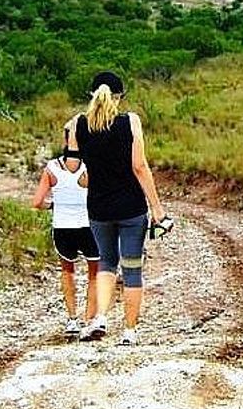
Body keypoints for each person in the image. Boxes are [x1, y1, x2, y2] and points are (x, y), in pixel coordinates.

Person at [66, 71, 171, 346]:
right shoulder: (130, 122)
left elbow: (74, 168)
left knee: (106, 264)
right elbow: (139, 167)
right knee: (132, 267)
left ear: (92, 95)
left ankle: (100, 317)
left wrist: (69, 135)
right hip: (131, 208)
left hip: (99, 209)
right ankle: (129, 332)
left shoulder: (79, 124)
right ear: (119, 97)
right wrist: (158, 209)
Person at [31, 150, 99, 337]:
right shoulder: (90, 165)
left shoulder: (52, 168)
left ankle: (72, 319)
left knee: (67, 271)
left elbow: (37, 202)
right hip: (88, 225)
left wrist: (54, 205)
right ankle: (89, 320)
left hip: (62, 226)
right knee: (94, 272)